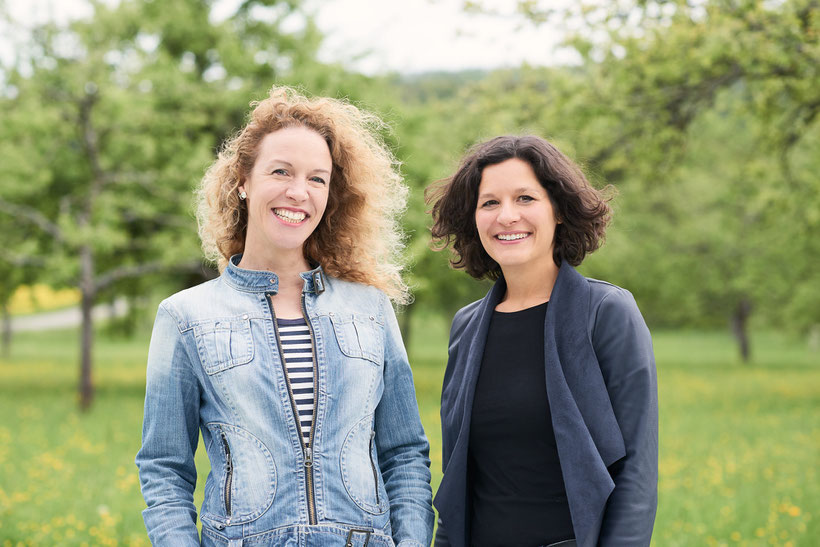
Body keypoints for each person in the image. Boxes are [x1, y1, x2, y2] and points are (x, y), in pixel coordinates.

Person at [136, 87, 434, 547]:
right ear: (243, 180)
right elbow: (164, 468)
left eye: (318, 178)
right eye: (281, 171)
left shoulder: (371, 309)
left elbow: (404, 454)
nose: (299, 192)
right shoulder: (186, 316)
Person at [427, 135, 658, 547]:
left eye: (525, 198)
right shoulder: (466, 327)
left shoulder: (606, 313)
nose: (507, 216)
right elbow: (458, 478)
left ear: (560, 211)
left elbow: (636, 471)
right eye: (490, 203)